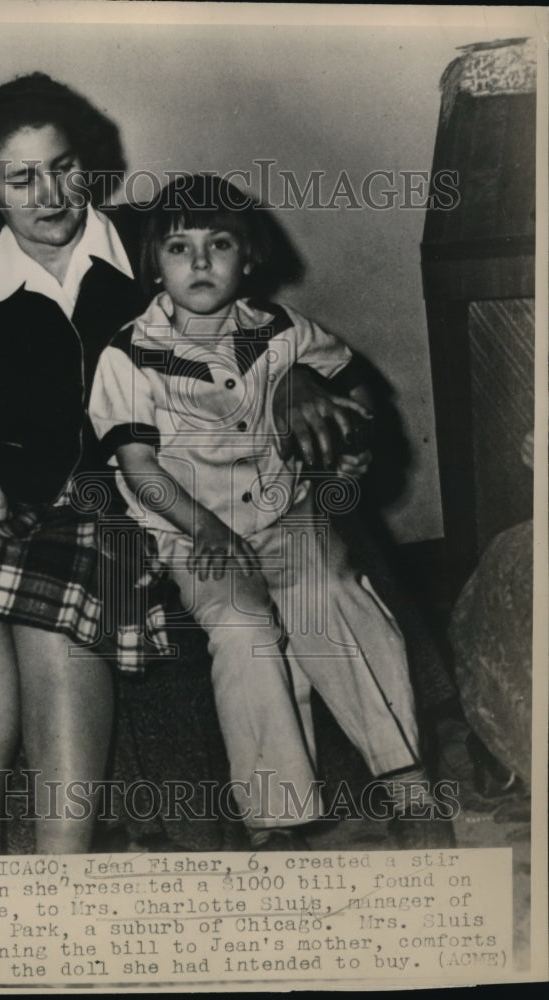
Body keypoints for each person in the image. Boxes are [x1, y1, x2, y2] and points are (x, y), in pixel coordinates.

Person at [0, 75, 367, 855]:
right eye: (23, 178)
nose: (51, 194)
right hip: (8, 491)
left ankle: (63, 882)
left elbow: (252, 326)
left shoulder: (153, 247)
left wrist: (289, 381)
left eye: (63, 168)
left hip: (136, 497)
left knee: (56, 618)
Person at [89, 174, 453, 849]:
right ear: (154, 266)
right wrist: (205, 529)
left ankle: (405, 776)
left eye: (219, 244)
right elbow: (140, 469)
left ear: (249, 258)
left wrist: (353, 443)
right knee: (242, 625)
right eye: (178, 247)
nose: (200, 262)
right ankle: (274, 817)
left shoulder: (282, 329)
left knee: (332, 591)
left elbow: (355, 390)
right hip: (193, 530)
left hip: (286, 513)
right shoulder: (128, 353)